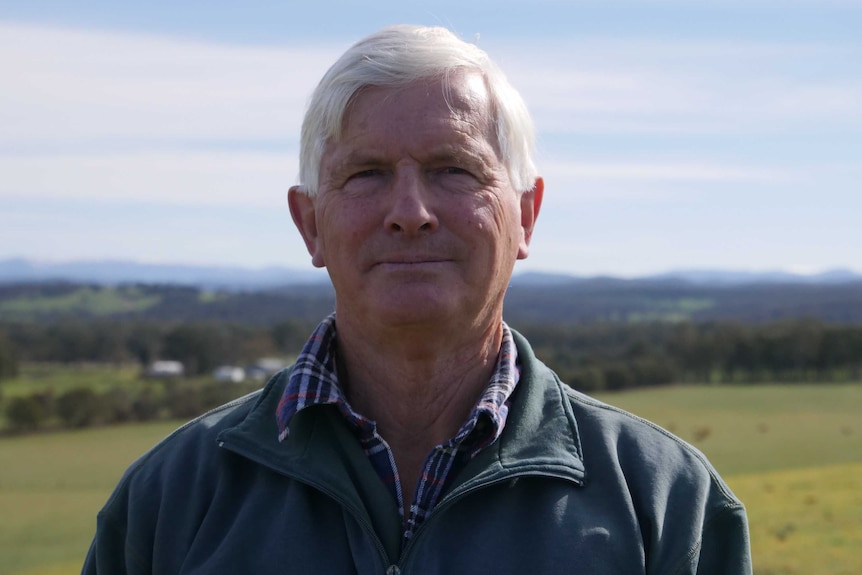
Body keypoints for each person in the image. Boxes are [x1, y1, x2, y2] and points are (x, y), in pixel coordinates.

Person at [83, 25, 752, 574]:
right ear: (309, 223)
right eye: (367, 173)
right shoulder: (171, 500)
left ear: (527, 214)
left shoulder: (665, 501)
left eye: (453, 169)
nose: (410, 211)